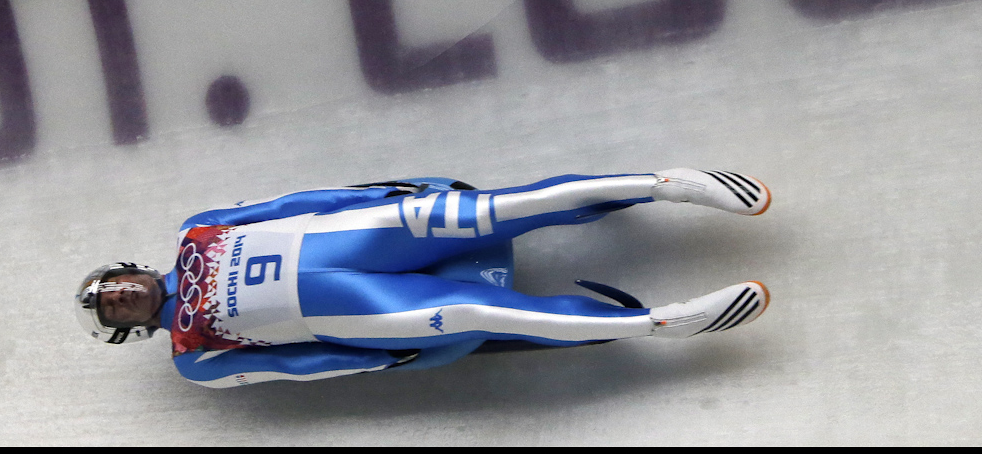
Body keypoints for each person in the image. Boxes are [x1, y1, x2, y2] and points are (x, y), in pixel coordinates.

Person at [74, 168, 771, 388]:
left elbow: (288, 206)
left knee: (499, 209)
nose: (124, 297)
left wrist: (380, 193)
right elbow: (290, 366)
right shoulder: (193, 358)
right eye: (115, 310)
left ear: (127, 268)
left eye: (115, 286)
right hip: (353, 307)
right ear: (129, 330)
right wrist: (378, 360)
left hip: (363, 234)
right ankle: (659, 324)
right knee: (480, 315)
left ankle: (664, 184)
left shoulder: (196, 230)